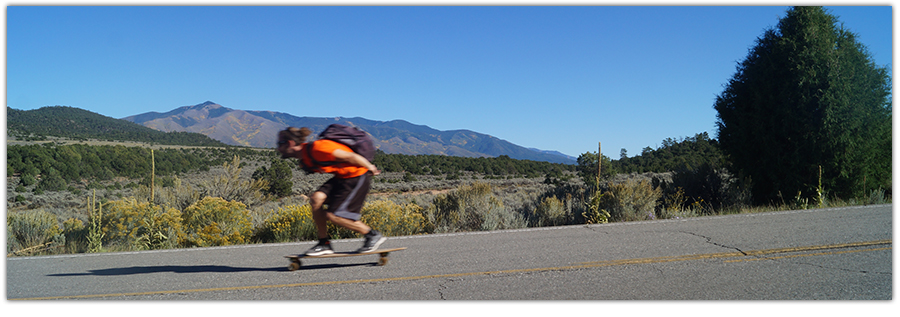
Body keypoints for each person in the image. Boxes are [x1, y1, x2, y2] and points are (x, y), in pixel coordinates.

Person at [276, 127, 385, 255]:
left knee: (334, 216)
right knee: (316, 199)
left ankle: (372, 235)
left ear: (290, 143)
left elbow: (350, 156)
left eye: (280, 144)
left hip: (357, 176)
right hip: (341, 178)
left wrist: (369, 167)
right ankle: (324, 243)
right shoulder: (305, 157)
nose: (278, 148)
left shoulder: (318, 148)